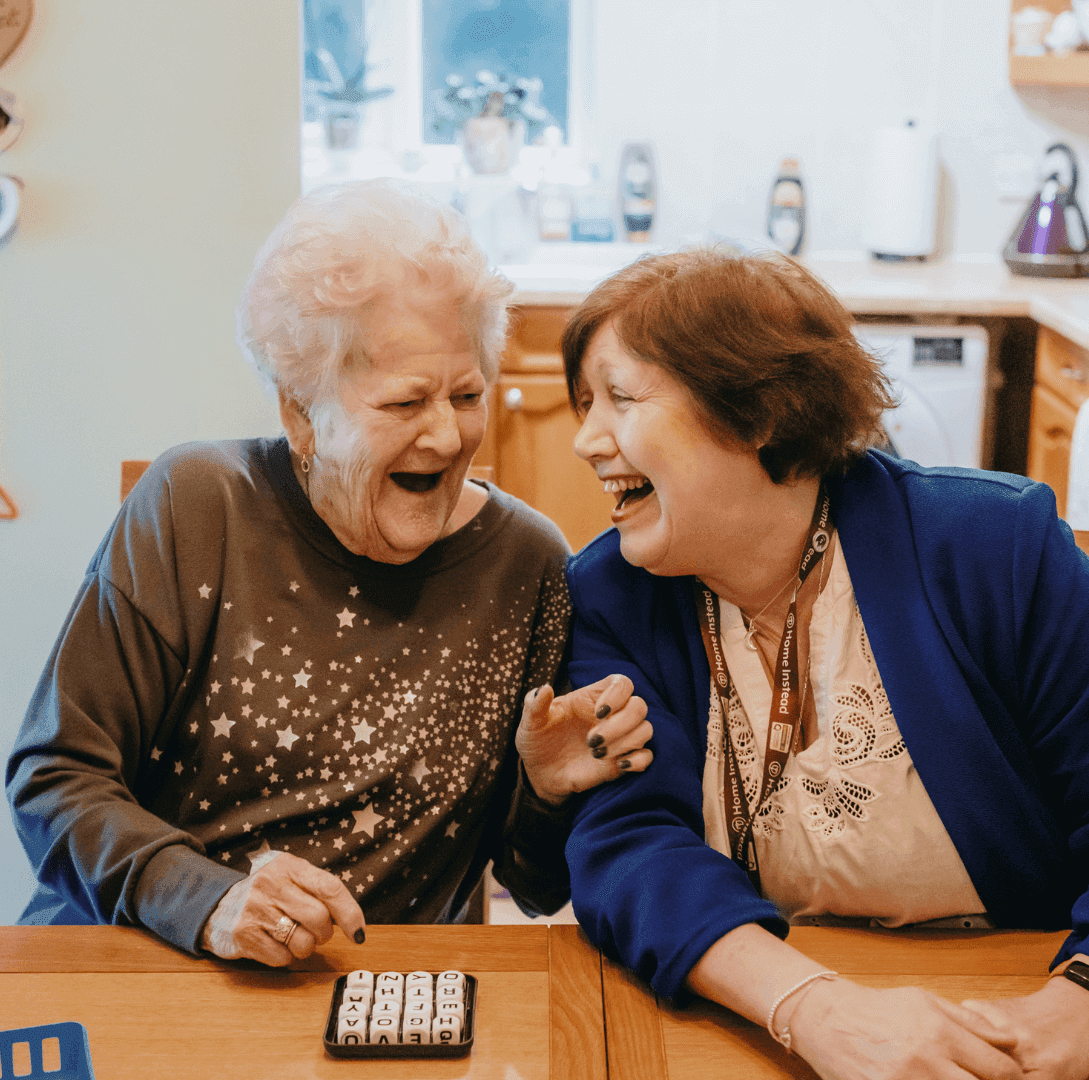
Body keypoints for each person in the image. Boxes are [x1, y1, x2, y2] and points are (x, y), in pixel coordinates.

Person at [560, 248, 1089, 1080]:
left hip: (1010, 1014)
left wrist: (1083, 1000)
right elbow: (627, 847)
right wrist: (814, 1007)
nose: (583, 440)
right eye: (580, 405)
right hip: (758, 1026)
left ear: (756, 414)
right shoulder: (613, 592)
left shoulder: (994, 548)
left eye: (619, 398)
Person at [6, 179, 652, 967]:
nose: (447, 437)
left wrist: (548, 793)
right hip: (146, 968)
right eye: (404, 402)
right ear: (299, 412)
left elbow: (534, 883)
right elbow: (56, 778)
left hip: (378, 1002)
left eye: (466, 394)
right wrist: (210, 902)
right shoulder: (196, 506)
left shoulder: (531, 564)